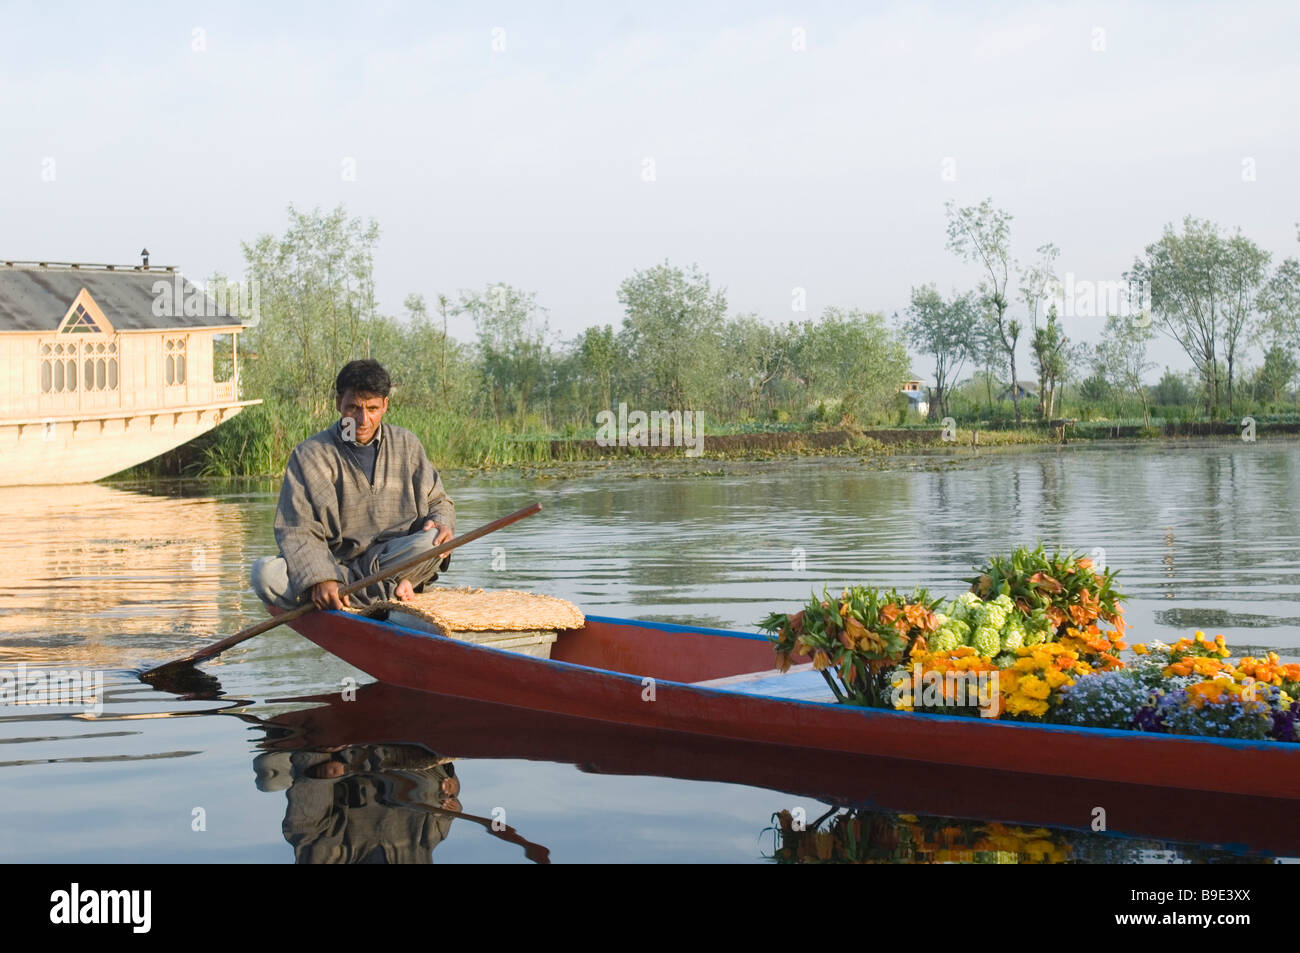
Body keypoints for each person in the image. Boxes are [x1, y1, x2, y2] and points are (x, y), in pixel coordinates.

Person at [250, 359, 455, 611]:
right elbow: (296, 529)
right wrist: (321, 577)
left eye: (372, 408)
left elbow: (439, 501)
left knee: (434, 541)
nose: (363, 419)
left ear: (385, 405)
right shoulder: (310, 454)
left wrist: (442, 521)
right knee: (265, 575)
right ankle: (395, 588)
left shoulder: (407, 444)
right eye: (353, 408)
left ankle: (366, 591)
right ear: (338, 403)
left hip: (391, 557)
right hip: (334, 564)